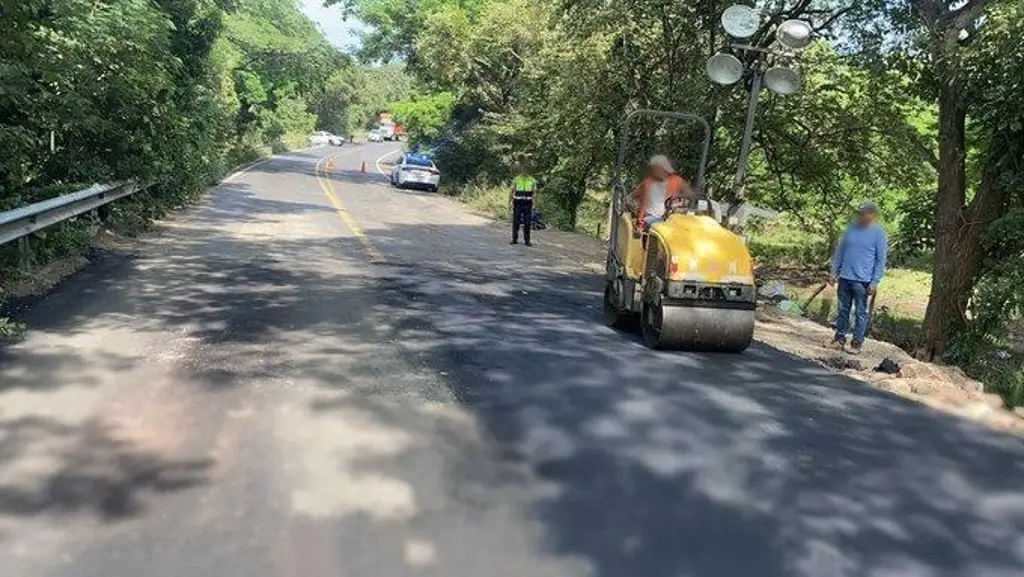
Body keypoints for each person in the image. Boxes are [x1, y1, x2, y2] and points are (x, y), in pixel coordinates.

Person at [828, 202, 888, 355]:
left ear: (872, 215)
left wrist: (874, 282)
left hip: (863, 281)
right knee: (842, 309)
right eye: (860, 213)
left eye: (865, 213)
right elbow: (840, 251)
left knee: (860, 313)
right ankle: (839, 339)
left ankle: (856, 343)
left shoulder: (878, 235)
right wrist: (834, 271)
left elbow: (880, 261)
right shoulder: (850, 230)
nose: (861, 216)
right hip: (845, 277)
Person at [626, 155, 694, 230]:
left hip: (671, 218)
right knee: (660, 226)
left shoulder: (676, 181)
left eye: (657, 169)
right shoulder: (647, 183)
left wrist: (678, 206)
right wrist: (632, 207)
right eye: (654, 169)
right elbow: (630, 197)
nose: (654, 171)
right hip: (649, 218)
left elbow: (690, 197)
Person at [509, 158, 538, 246]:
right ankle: (514, 238)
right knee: (516, 222)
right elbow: (511, 191)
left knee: (527, 223)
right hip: (517, 203)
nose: (524, 171)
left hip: (527, 204)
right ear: (521, 169)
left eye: (526, 169)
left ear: (528, 170)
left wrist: (535, 204)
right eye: (523, 169)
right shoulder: (516, 179)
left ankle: (527, 240)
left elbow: (535, 193)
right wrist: (509, 202)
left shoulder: (532, 180)